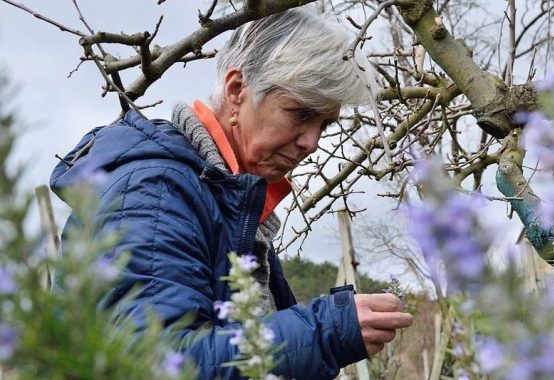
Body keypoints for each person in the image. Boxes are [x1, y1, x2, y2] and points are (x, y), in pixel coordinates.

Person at [50, 7, 413, 379]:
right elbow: (155, 364)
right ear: (237, 90)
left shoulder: (225, 200)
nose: (312, 142)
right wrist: (326, 332)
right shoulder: (156, 194)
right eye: (301, 113)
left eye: (324, 123)